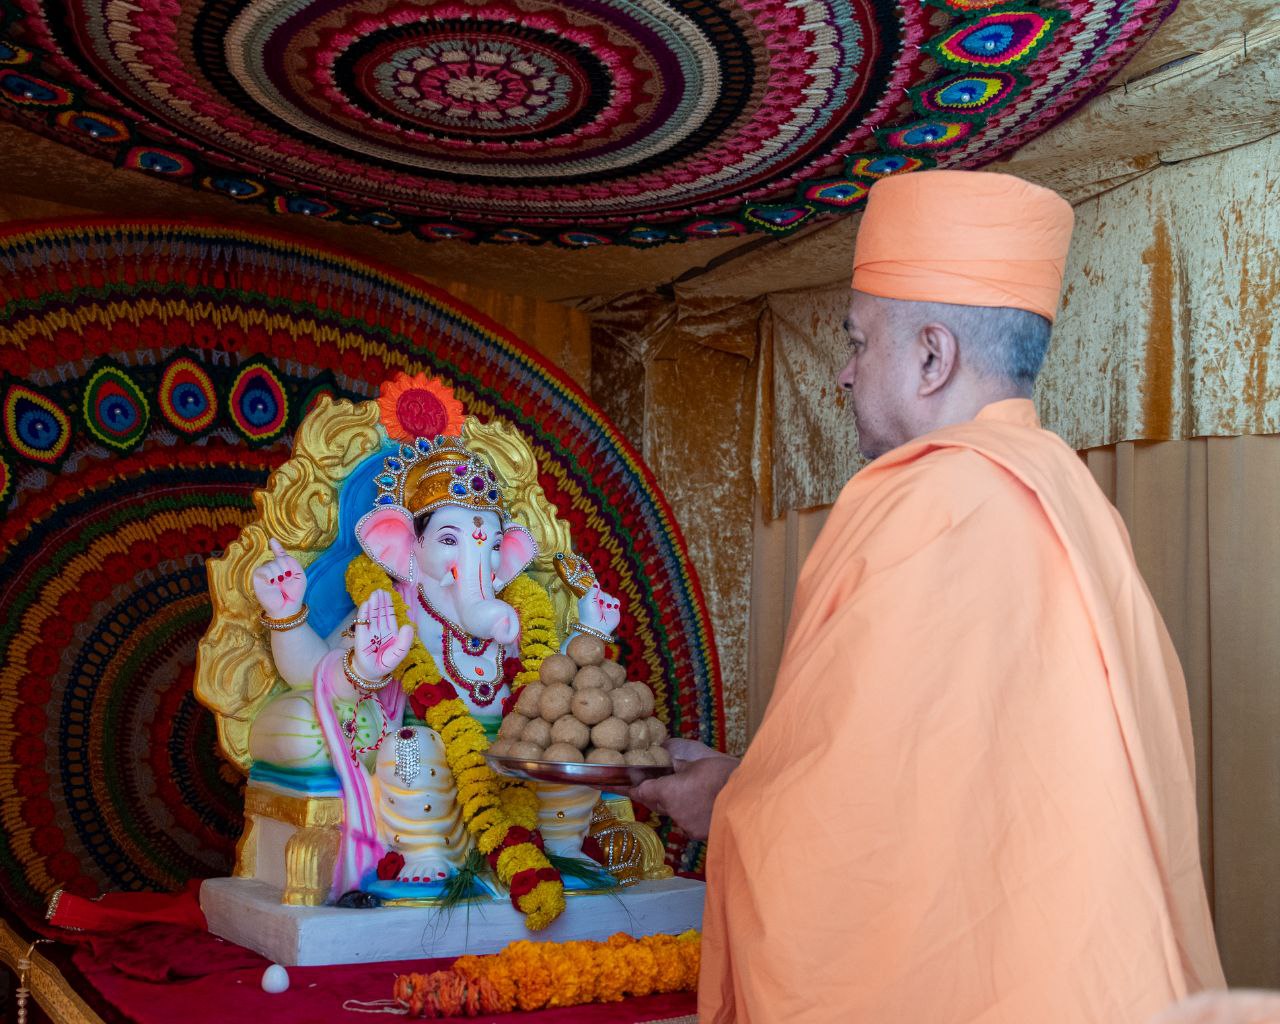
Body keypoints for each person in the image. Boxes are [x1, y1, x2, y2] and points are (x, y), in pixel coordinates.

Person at [626, 169, 1225, 1023]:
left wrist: (724, 805)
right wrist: (740, 779)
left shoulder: (928, 501)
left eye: (860, 341)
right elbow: (941, 784)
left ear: (933, 356)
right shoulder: (1074, 498)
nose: (842, 372)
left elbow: (858, 839)